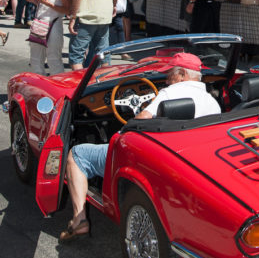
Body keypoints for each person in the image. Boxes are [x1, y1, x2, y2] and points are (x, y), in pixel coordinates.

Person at [59, 53, 220, 242]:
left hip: (149, 159)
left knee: (77, 154)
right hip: (187, 159)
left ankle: (79, 220)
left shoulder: (171, 93)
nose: (167, 79)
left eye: (170, 74)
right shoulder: (212, 102)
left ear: (182, 74)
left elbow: (141, 120)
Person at [25, 0, 70, 75]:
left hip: (53, 26)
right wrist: (35, 1)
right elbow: (46, 6)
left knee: (53, 59)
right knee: (35, 59)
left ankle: (57, 90)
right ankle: (40, 88)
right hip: (40, 24)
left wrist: (47, 3)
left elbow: (68, 10)